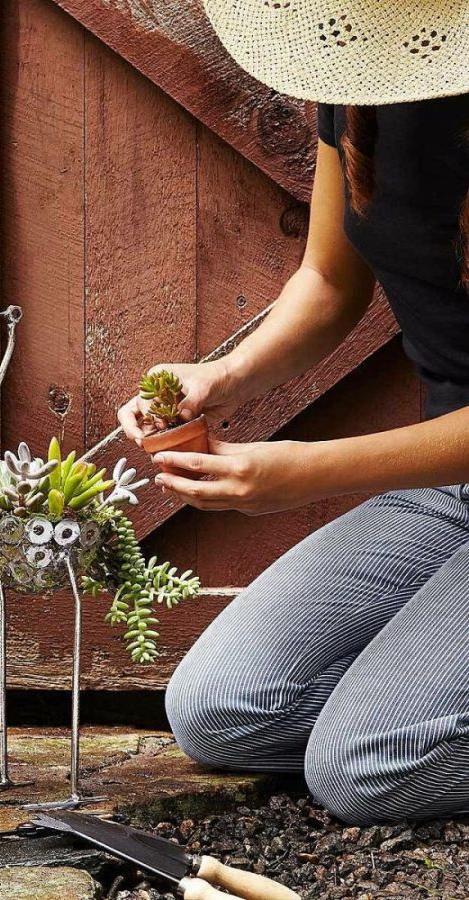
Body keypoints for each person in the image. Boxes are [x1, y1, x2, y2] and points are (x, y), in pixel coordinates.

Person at [118, 1, 469, 825]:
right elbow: (328, 283)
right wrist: (223, 377)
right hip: (451, 491)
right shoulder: (358, 74)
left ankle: (393, 724)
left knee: (364, 766)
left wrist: (304, 472)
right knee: (220, 709)